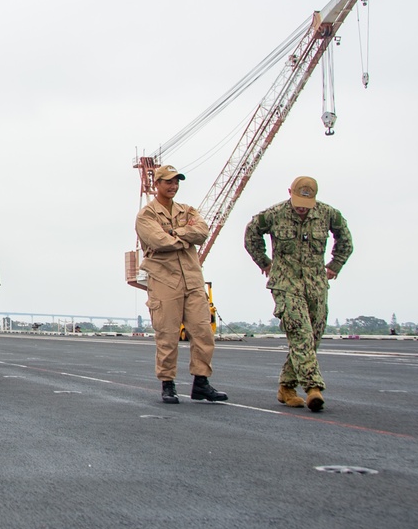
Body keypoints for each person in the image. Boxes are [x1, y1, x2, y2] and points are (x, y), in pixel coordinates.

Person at [244, 176, 353, 412]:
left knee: (313, 335)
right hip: (286, 284)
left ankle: (286, 386)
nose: (302, 207)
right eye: (297, 200)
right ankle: (313, 388)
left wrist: (335, 265)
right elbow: (251, 234)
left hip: (315, 284)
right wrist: (264, 262)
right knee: (300, 332)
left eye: (307, 202)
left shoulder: (328, 214)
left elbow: (345, 238)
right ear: (289, 192)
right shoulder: (273, 214)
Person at [135, 166, 227, 404]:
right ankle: (168, 383)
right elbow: (158, 240)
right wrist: (183, 237)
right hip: (165, 279)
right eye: (168, 182)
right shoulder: (147, 215)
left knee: (203, 331)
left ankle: (201, 383)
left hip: (192, 279)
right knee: (167, 334)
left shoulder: (187, 210)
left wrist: (175, 233)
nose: (173, 186)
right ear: (157, 184)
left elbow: (202, 232)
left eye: (176, 182)